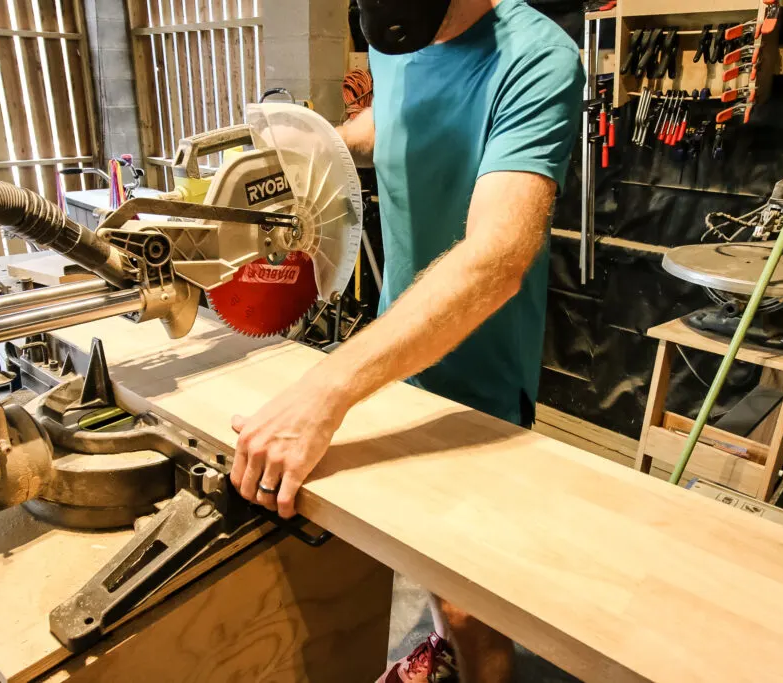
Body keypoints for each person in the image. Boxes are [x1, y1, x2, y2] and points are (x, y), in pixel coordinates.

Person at [230, 0, 584, 680]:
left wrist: (324, 390)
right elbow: (393, 108)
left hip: (476, 382)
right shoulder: (395, 34)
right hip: (390, 361)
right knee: (406, 555)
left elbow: (497, 260)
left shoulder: (536, 59)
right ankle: (437, 646)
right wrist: (329, 144)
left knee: (469, 598)